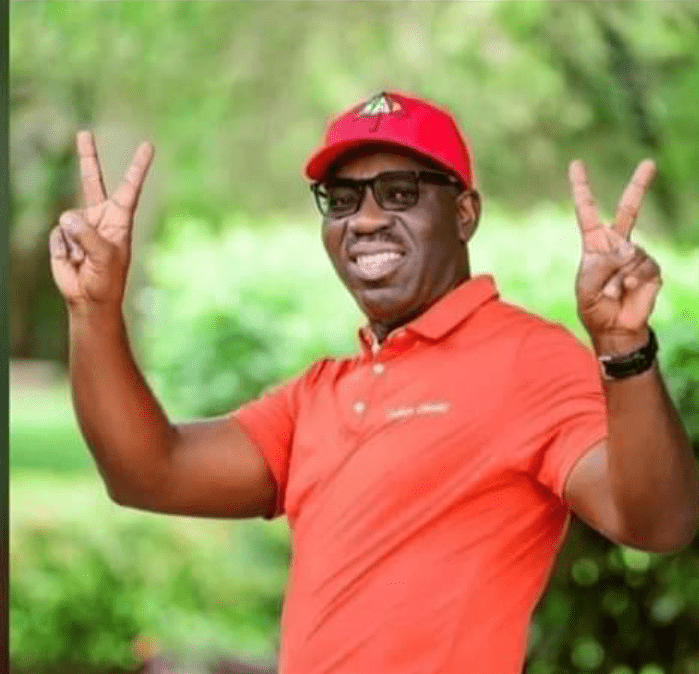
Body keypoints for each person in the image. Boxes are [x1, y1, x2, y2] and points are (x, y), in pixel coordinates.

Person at [50, 91, 698, 674]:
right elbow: (148, 472)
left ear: (464, 213)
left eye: (398, 193)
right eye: (341, 199)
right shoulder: (318, 393)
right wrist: (94, 309)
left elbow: (659, 523)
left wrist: (624, 349)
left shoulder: (529, 359)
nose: (362, 220)